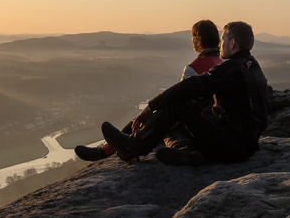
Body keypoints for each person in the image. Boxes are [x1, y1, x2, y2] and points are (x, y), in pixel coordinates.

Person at [99, 20, 269, 166]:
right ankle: (187, 152)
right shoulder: (251, 65)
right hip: (244, 145)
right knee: (190, 109)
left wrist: (151, 106)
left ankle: (133, 146)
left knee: (180, 104)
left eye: (223, 39)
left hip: (232, 146)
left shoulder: (232, 68)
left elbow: (193, 85)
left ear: (232, 43)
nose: (219, 44)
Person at [74, 20, 223, 162]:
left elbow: (180, 98)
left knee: (156, 121)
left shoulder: (194, 67)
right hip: (211, 121)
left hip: (194, 120)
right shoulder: (223, 65)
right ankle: (107, 149)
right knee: (155, 119)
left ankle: (107, 150)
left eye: (193, 37)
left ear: (198, 40)